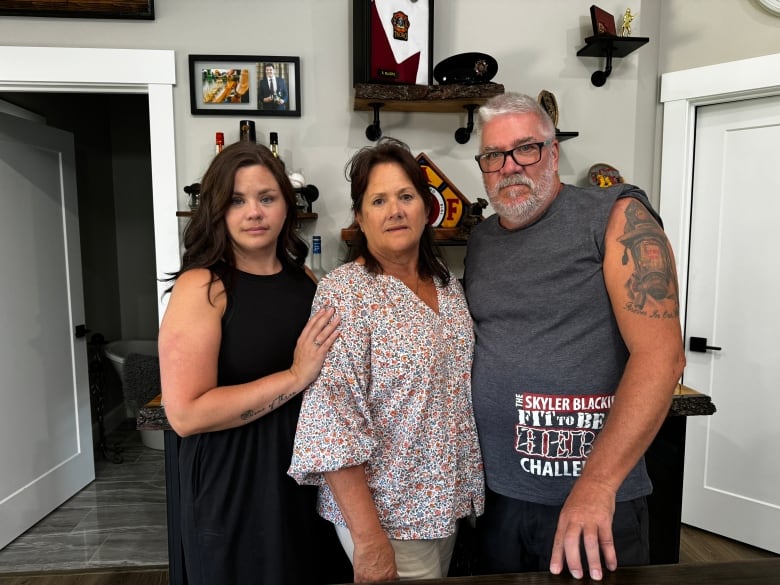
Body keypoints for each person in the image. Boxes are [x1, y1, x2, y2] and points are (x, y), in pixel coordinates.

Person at [463, 93, 686, 581]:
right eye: (493, 155)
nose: (509, 167)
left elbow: (661, 357)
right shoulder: (480, 241)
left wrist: (597, 486)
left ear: (554, 151)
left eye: (526, 149)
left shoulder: (615, 215)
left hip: (592, 501)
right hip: (498, 499)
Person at [288, 137, 485, 582]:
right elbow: (332, 423)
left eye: (406, 196)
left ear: (425, 208)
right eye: (379, 200)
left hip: (447, 506)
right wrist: (370, 540)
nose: (395, 210)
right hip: (386, 515)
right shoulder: (345, 293)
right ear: (360, 216)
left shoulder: (449, 288)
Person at [158, 141, 351, 585]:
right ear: (218, 211)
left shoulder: (303, 280)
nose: (254, 212)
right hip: (234, 482)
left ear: (287, 205)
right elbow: (185, 414)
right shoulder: (203, 286)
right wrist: (295, 376)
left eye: (267, 198)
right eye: (237, 201)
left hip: (304, 478)